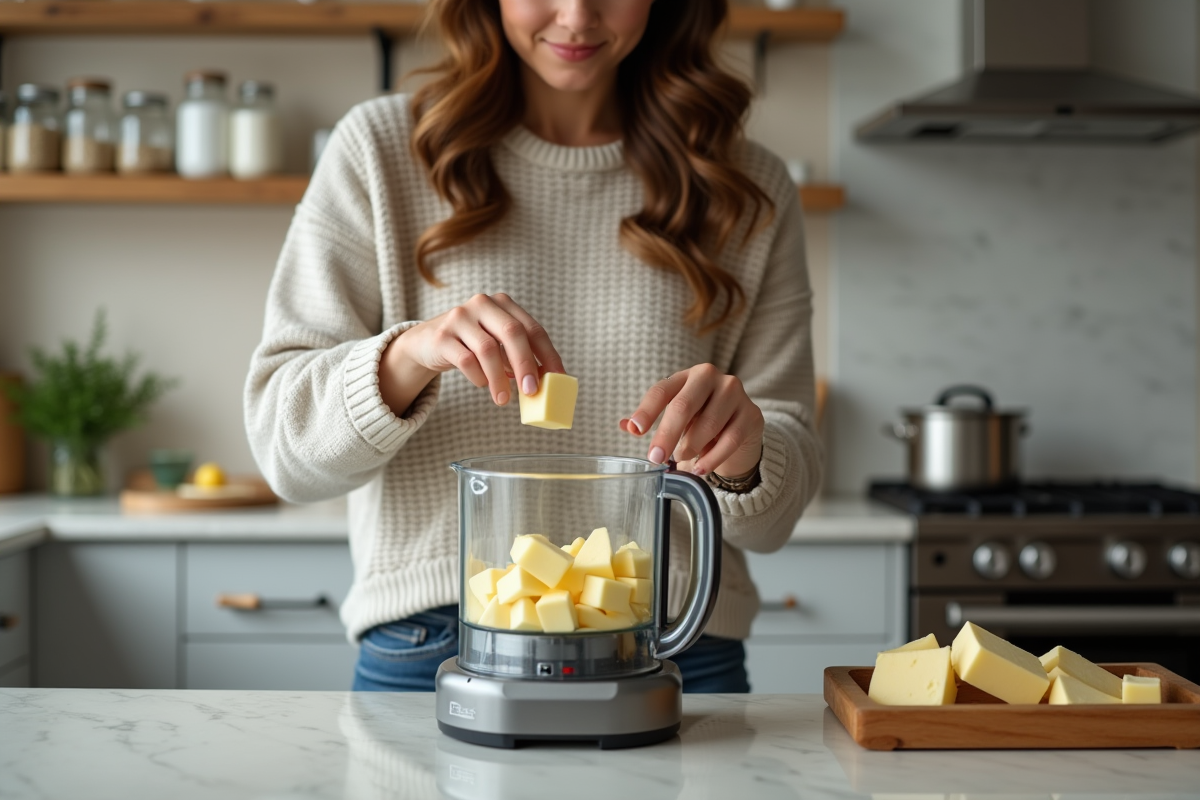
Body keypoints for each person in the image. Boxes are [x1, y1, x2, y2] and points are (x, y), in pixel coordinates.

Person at [244, 0, 823, 693]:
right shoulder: (379, 149)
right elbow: (285, 456)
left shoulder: (749, 186)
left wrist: (747, 455)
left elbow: (775, 518)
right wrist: (407, 357)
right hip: (435, 641)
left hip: (676, 646)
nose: (576, 16)